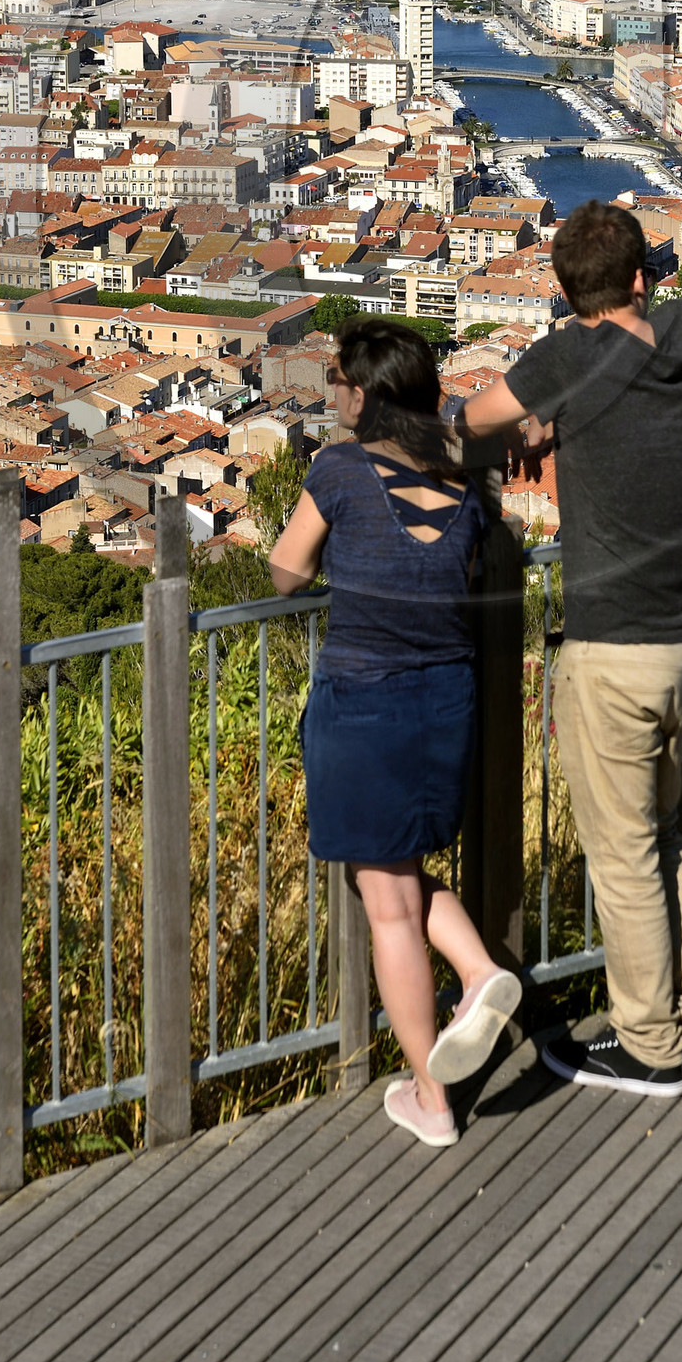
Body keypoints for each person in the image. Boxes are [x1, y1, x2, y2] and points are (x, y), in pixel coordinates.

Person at [460, 199, 682, 1100]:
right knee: (664, 839)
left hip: (616, 648)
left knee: (621, 860)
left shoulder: (571, 355)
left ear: (566, 290)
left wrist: (529, 431)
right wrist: (561, 428)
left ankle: (651, 1043)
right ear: (641, 278)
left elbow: (472, 417)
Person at [269, 315, 522, 1147]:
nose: (332, 393)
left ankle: (431, 1095)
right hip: (445, 698)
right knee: (396, 874)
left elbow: (285, 568)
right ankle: (481, 971)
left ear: (367, 394)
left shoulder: (339, 469)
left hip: (364, 701)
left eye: (339, 381)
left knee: (385, 907)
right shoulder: (460, 483)